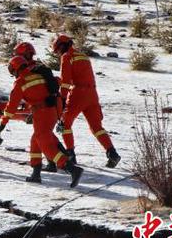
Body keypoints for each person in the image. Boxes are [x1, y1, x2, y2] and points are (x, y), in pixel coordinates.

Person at [0, 56, 84, 187]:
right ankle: (36, 173)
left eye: (11, 70)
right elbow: (57, 82)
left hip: (43, 112)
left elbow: (11, 106)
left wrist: (3, 123)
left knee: (44, 142)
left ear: (15, 69)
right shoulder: (38, 74)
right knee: (36, 140)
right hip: (55, 107)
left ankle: (71, 168)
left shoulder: (21, 82)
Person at [51, 34, 121, 168]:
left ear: (62, 46)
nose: (58, 54)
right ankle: (112, 153)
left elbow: (65, 82)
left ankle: (70, 155)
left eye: (58, 51)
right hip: (92, 94)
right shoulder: (83, 56)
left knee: (65, 124)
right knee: (96, 127)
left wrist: (63, 99)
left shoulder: (67, 57)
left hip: (78, 93)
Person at [13, 41, 67, 173]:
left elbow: (38, 90)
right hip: (51, 105)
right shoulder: (37, 67)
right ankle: (57, 161)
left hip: (48, 106)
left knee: (42, 135)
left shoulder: (33, 68)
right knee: (44, 134)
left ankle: (64, 161)